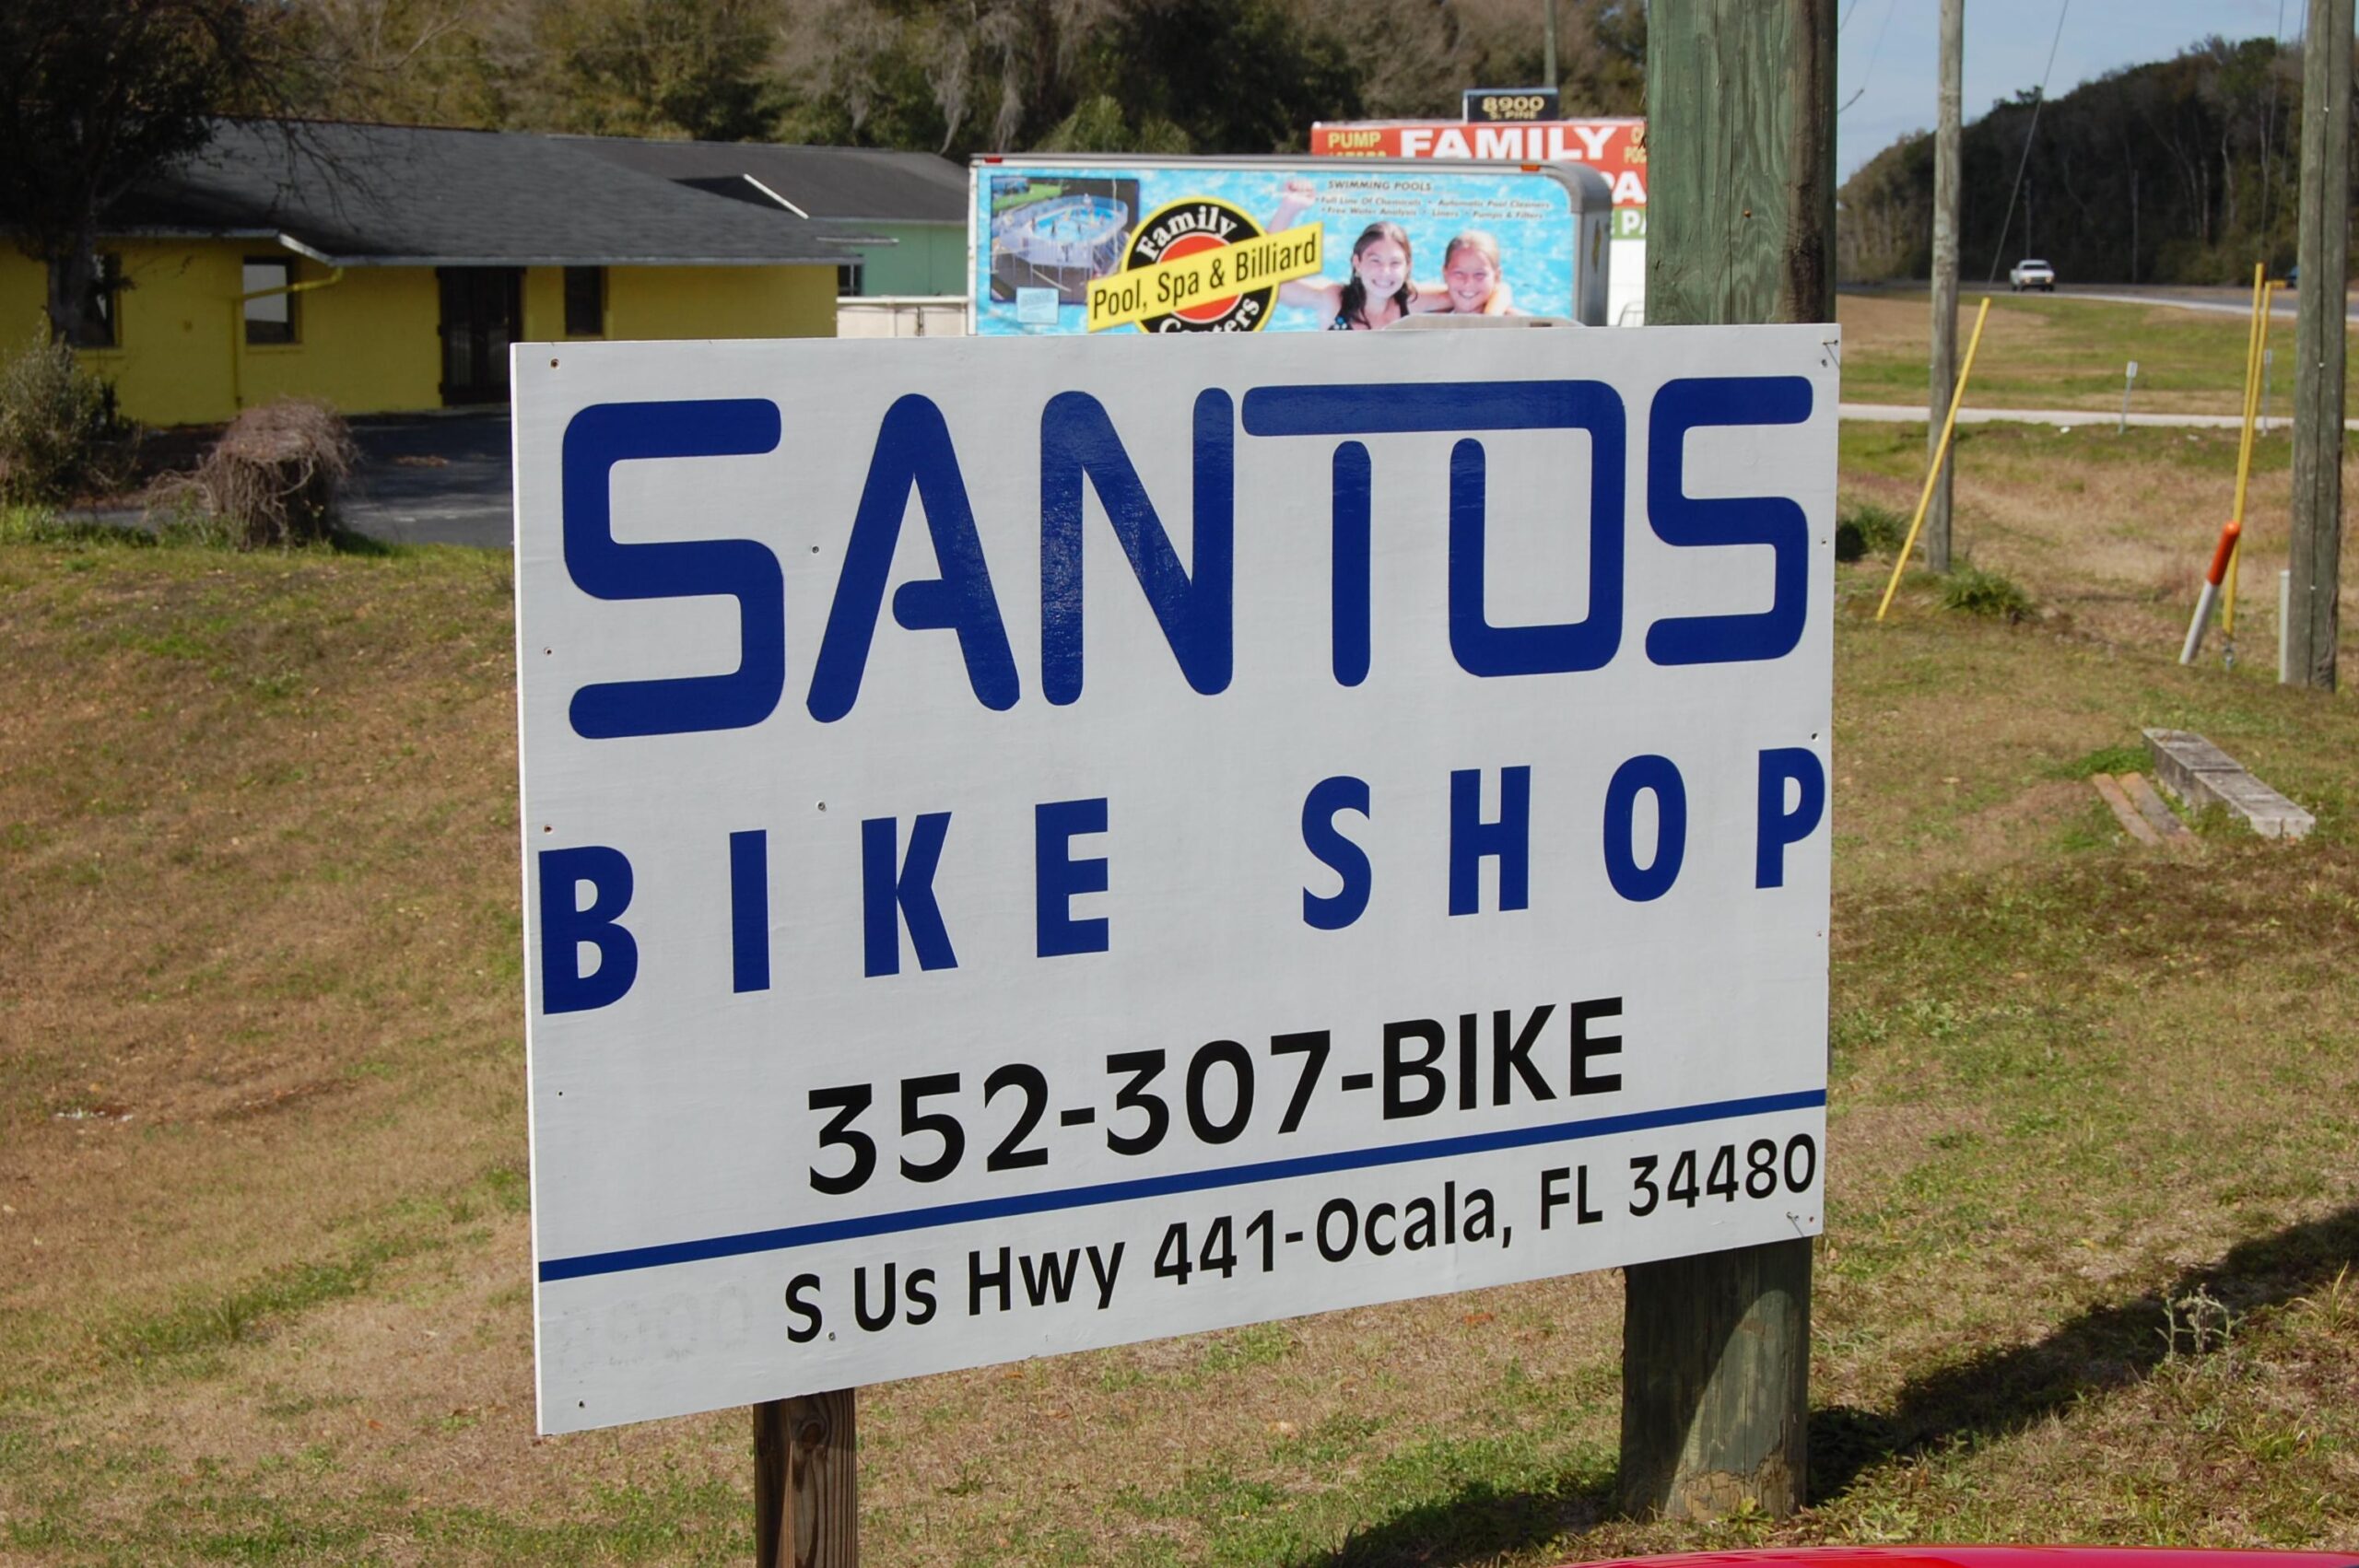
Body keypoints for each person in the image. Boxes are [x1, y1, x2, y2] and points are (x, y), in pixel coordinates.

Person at [1269, 181, 1419, 330]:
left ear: (1408, 267)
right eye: (1375, 261)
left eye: (1395, 263)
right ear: (1357, 263)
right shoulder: (1333, 300)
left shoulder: (1412, 303)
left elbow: (1443, 293)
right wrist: (1289, 208)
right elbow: (1266, 283)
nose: (1385, 272)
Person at [1433, 231, 1518, 316]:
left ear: (1497, 276)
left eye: (1479, 274)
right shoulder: (1431, 318)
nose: (1468, 283)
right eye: (1459, 273)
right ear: (1445, 274)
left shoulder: (1518, 322)